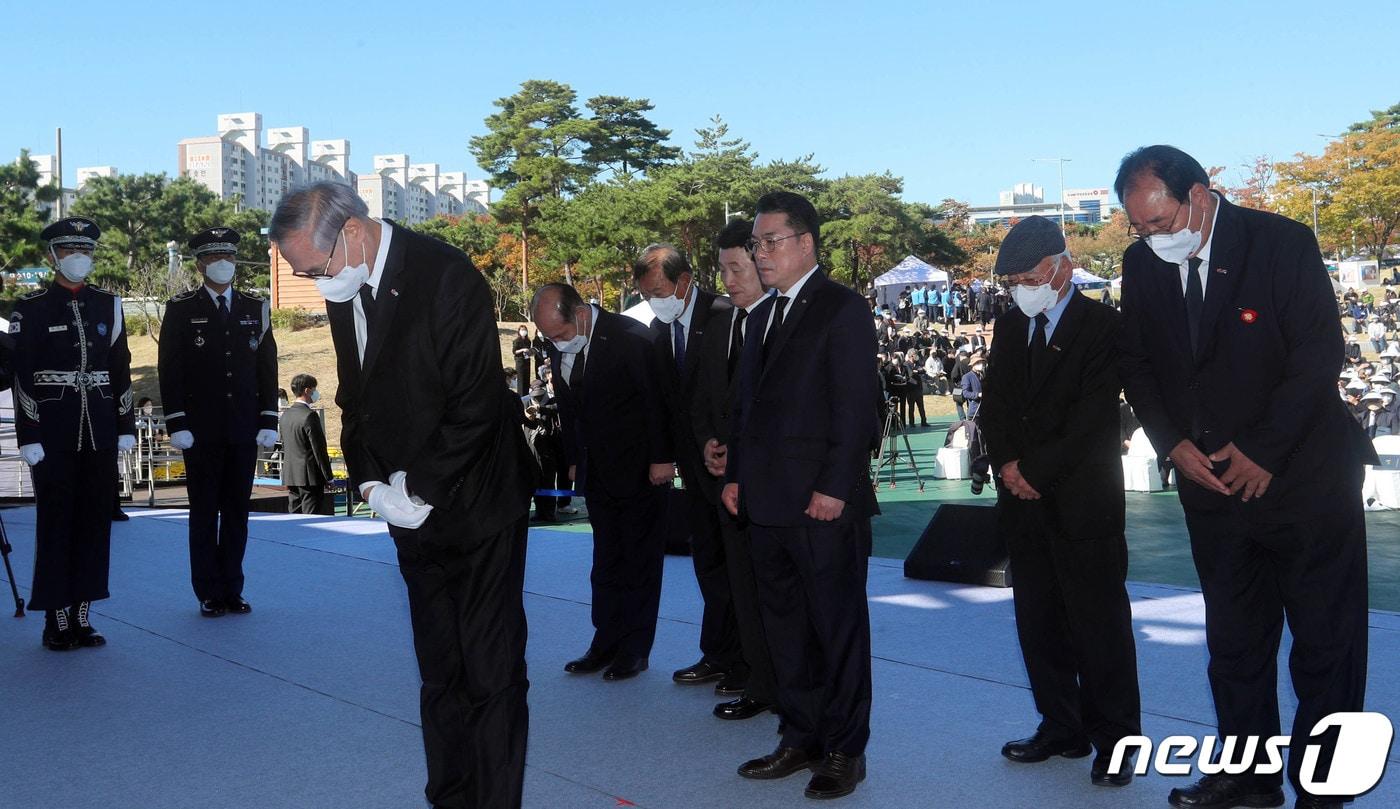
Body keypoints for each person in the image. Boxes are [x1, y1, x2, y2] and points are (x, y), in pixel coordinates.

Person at [1116, 146, 1376, 809]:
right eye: (1138, 228)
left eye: (1157, 221)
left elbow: (1319, 353)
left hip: (1305, 479)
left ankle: (1325, 789)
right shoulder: (1141, 265)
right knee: (1234, 644)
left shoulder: (1281, 242)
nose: (1150, 238)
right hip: (1212, 487)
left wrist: (1262, 449)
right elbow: (1139, 364)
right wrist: (1171, 443)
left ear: (1198, 197)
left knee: (1325, 646)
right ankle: (1249, 777)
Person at [271, 181, 533, 809]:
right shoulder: (343, 281)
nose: (315, 282)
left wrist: (421, 487)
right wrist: (367, 480)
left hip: (478, 499)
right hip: (402, 506)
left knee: (490, 671)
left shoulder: (446, 276)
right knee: (439, 668)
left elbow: (477, 403)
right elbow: (356, 399)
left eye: (316, 267)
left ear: (353, 232)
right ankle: (450, 796)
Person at [722, 192, 879, 800]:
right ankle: (800, 735)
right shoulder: (760, 316)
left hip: (821, 504)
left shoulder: (841, 308)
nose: (760, 254)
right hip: (766, 503)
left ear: (805, 243)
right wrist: (735, 474)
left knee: (836, 629)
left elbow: (855, 407)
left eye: (769, 242)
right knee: (784, 628)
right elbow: (746, 412)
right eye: (756, 245)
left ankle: (844, 750)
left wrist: (834, 487)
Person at [978, 215, 1142, 789]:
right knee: (1038, 621)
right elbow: (994, 406)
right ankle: (1060, 724)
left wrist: (1036, 470)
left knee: (1099, 626)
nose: (1019, 288)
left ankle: (1117, 740)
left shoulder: (1103, 326)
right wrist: (1006, 467)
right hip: (1022, 501)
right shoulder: (1007, 328)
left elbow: (1093, 416)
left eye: (1027, 276)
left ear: (1061, 268)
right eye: (1011, 281)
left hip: (1082, 500)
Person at [531, 282, 673, 682]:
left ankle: (634, 649)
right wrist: (574, 461)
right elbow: (571, 411)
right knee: (606, 561)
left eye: (557, 333)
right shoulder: (562, 344)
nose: (555, 342)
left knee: (639, 562)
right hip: (597, 470)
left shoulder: (632, 338)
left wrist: (663, 458)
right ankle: (605, 641)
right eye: (548, 336)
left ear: (578, 313)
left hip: (643, 467)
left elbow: (658, 401)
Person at [12, 217, 136, 651]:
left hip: (98, 429)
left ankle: (83, 615)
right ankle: (55, 618)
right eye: (68, 251)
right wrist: (28, 433)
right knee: (56, 524)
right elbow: (23, 376)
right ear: (52, 256)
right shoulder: (29, 308)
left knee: (93, 526)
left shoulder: (109, 304)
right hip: (53, 433)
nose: (78, 258)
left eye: (84, 250)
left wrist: (124, 426)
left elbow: (121, 370)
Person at [632, 244, 744, 694]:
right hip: (693, 470)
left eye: (657, 290)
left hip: (727, 462)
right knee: (709, 564)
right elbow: (662, 404)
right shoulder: (659, 330)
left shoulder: (723, 314)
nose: (652, 300)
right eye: (644, 292)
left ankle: (745, 660)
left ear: (683, 282)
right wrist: (665, 455)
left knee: (738, 565)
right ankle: (716, 653)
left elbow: (735, 392)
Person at [158, 227, 279, 618]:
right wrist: (177, 422)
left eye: (228, 255)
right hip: (200, 430)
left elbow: (267, 368)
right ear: (200, 264)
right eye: (213, 257)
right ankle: (208, 591)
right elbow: (169, 370)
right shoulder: (181, 308)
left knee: (238, 513)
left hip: (243, 427)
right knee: (204, 512)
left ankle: (233, 587)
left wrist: (268, 418)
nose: (223, 263)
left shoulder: (254, 307)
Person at [691, 218, 781, 722]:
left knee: (776, 592)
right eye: (721, 269)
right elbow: (702, 398)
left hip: (769, 483)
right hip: (725, 482)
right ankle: (755, 677)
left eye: (735, 267)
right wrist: (708, 443)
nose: (726, 279)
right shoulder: (722, 320)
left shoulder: (785, 321)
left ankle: (783, 682)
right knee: (741, 586)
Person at [279, 373, 333, 515]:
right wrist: (329, 477)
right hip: (310, 477)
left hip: (291, 474)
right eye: (314, 389)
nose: (316, 393)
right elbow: (319, 449)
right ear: (307, 390)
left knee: (294, 516)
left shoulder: (285, 415)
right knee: (311, 516)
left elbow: (285, 445)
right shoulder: (309, 415)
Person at [511, 325, 532, 396]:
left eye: (525, 330)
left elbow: (529, 351)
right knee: (521, 381)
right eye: (522, 330)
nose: (524, 331)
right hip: (520, 363)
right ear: (519, 331)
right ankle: (520, 396)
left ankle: (526, 396)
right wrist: (522, 350)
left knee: (527, 380)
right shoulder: (516, 341)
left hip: (527, 362)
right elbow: (514, 351)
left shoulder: (528, 341)